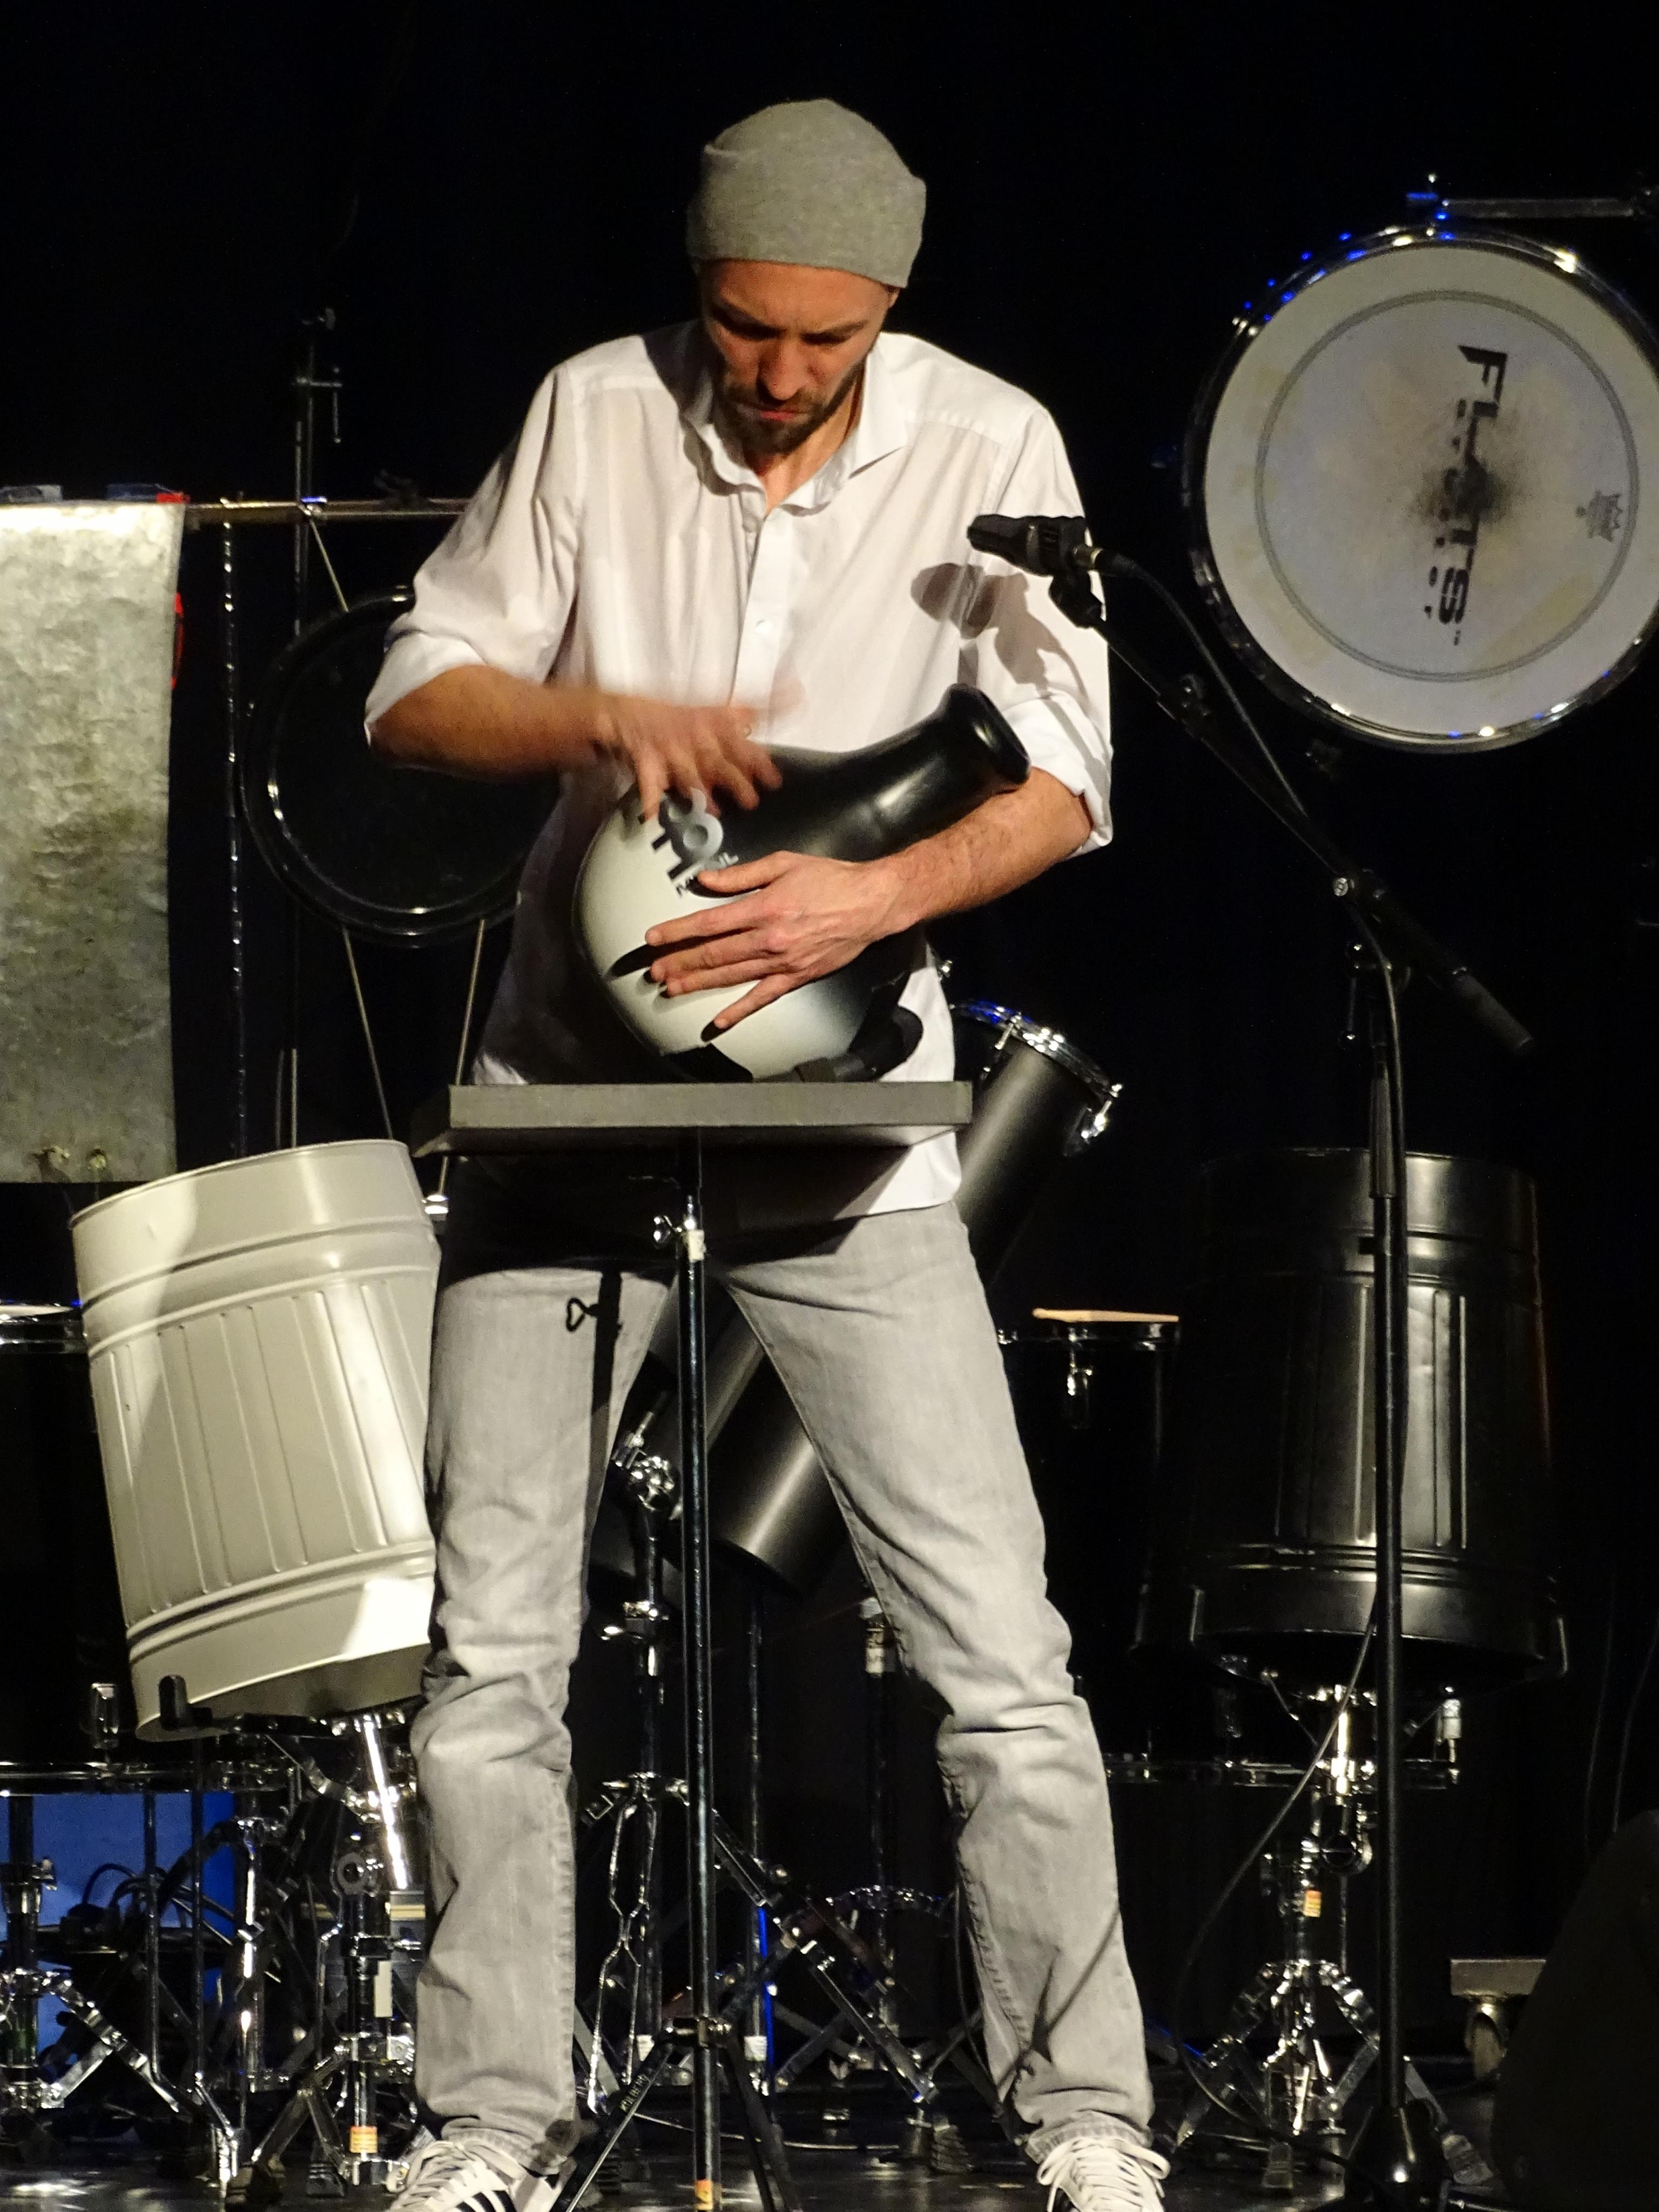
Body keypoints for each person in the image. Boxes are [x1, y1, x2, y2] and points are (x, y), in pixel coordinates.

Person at [368, 98, 1166, 2212]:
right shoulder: (592, 411)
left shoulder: (992, 440)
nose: (784, 372)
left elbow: (1069, 772)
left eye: (829, 338)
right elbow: (414, 692)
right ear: (698, 284)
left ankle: (1088, 2120)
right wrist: (594, 715)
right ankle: (490, 2123)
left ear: (890, 308)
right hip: (568, 1100)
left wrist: (867, 901)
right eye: (747, 328)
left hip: (844, 1121)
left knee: (998, 1653)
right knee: (494, 1653)